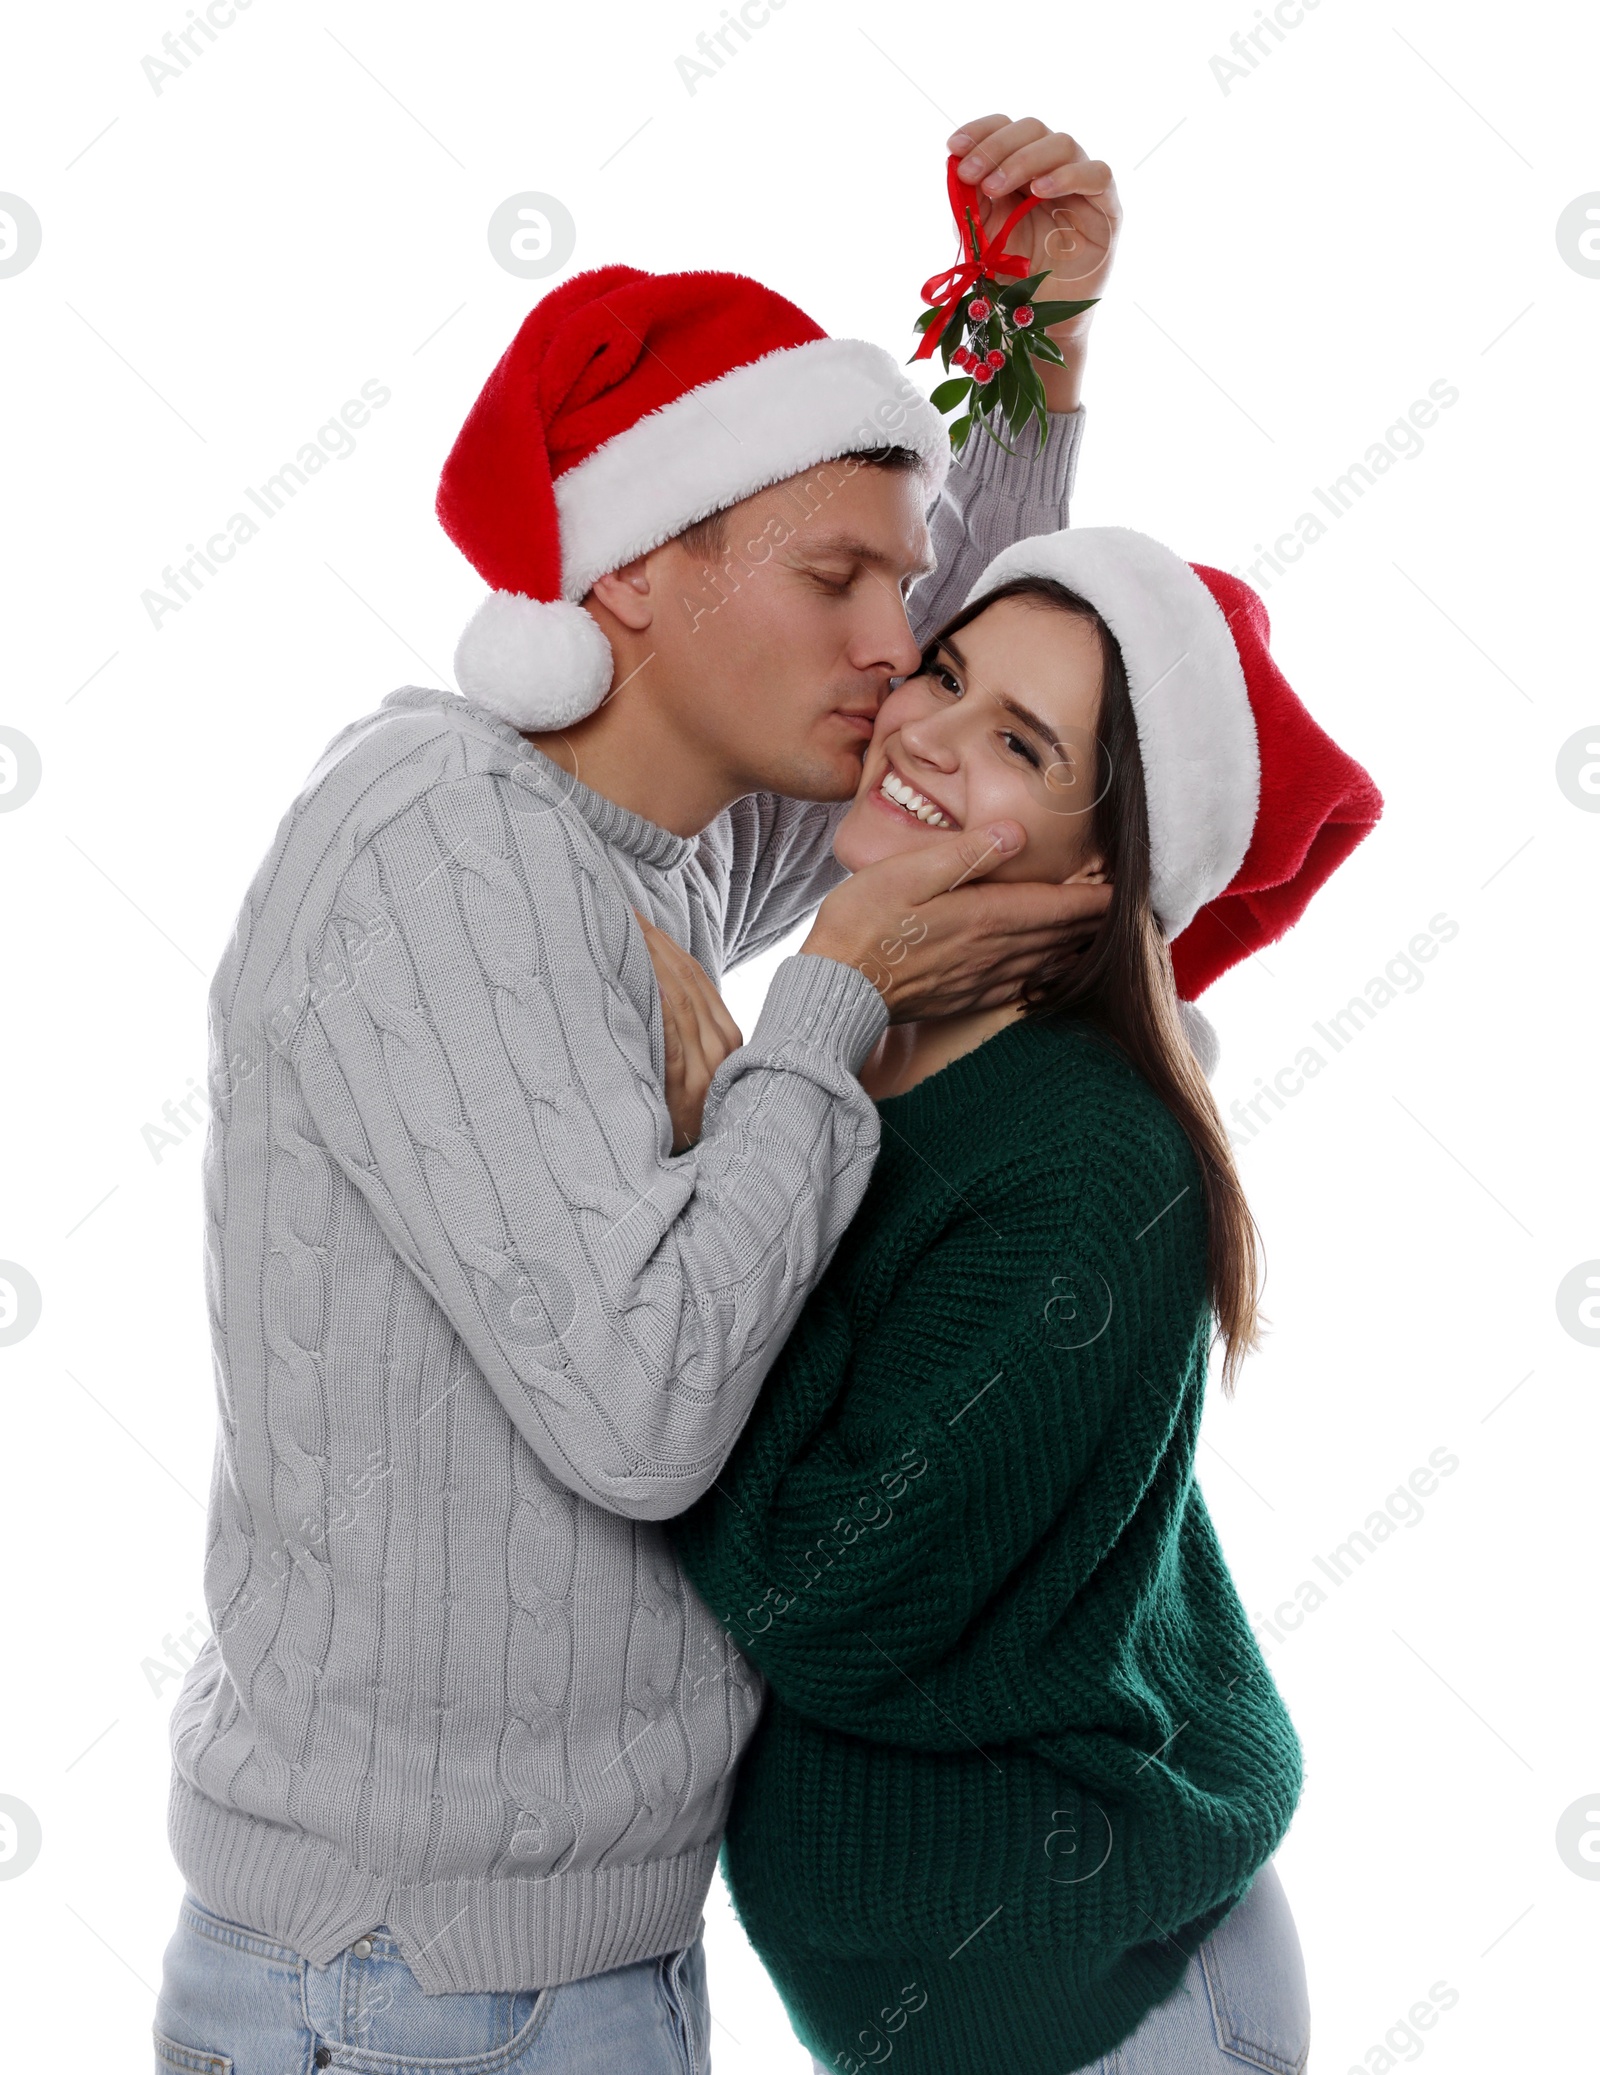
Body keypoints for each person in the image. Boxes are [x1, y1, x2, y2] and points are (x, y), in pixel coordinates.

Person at [151, 117, 1125, 2075]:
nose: (892, 650)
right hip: (416, 1981)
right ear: (624, 581)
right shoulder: (445, 849)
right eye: (834, 579)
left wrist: (1023, 340)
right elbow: (638, 1407)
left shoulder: (636, 854)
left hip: (551, 1955)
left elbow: (936, 707)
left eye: (899, 583)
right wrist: (830, 1004)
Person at [665, 524, 1384, 2075]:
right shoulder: (876, 1045)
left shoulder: (1086, 1169)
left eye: (1017, 743)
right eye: (946, 670)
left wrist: (754, 1089)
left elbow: (815, 1593)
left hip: (1114, 2006)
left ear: (1099, 869)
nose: (921, 732)